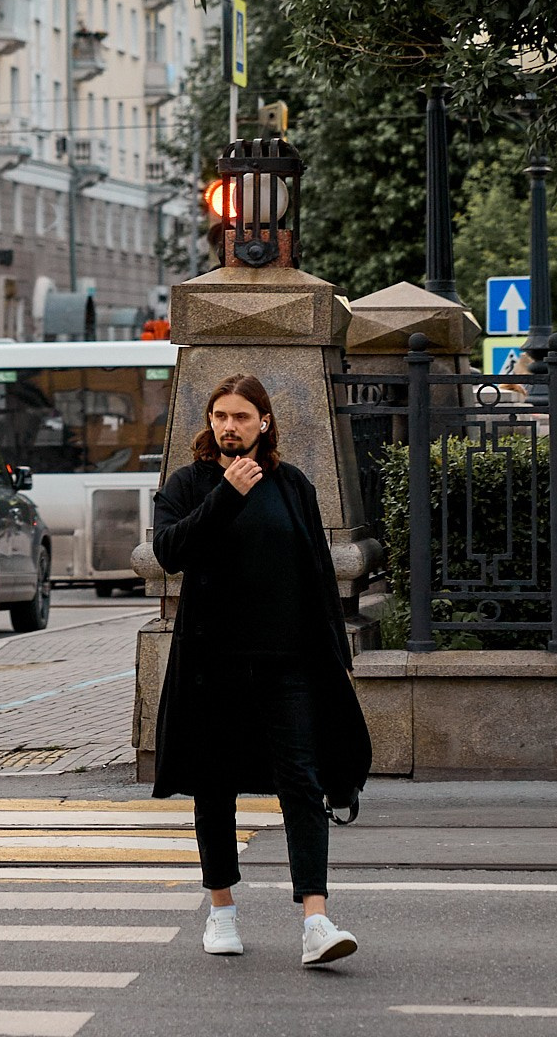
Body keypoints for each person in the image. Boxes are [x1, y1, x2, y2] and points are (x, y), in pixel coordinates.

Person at [150, 373, 371, 967]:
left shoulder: (293, 485)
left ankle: (316, 921)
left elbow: (317, 574)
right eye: (221, 415)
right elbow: (169, 551)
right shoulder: (189, 483)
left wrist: (331, 656)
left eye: (242, 416)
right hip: (212, 663)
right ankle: (221, 911)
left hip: (287, 662)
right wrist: (225, 493)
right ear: (209, 422)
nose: (230, 425)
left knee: (303, 781)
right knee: (214, 784)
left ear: (264, 423)